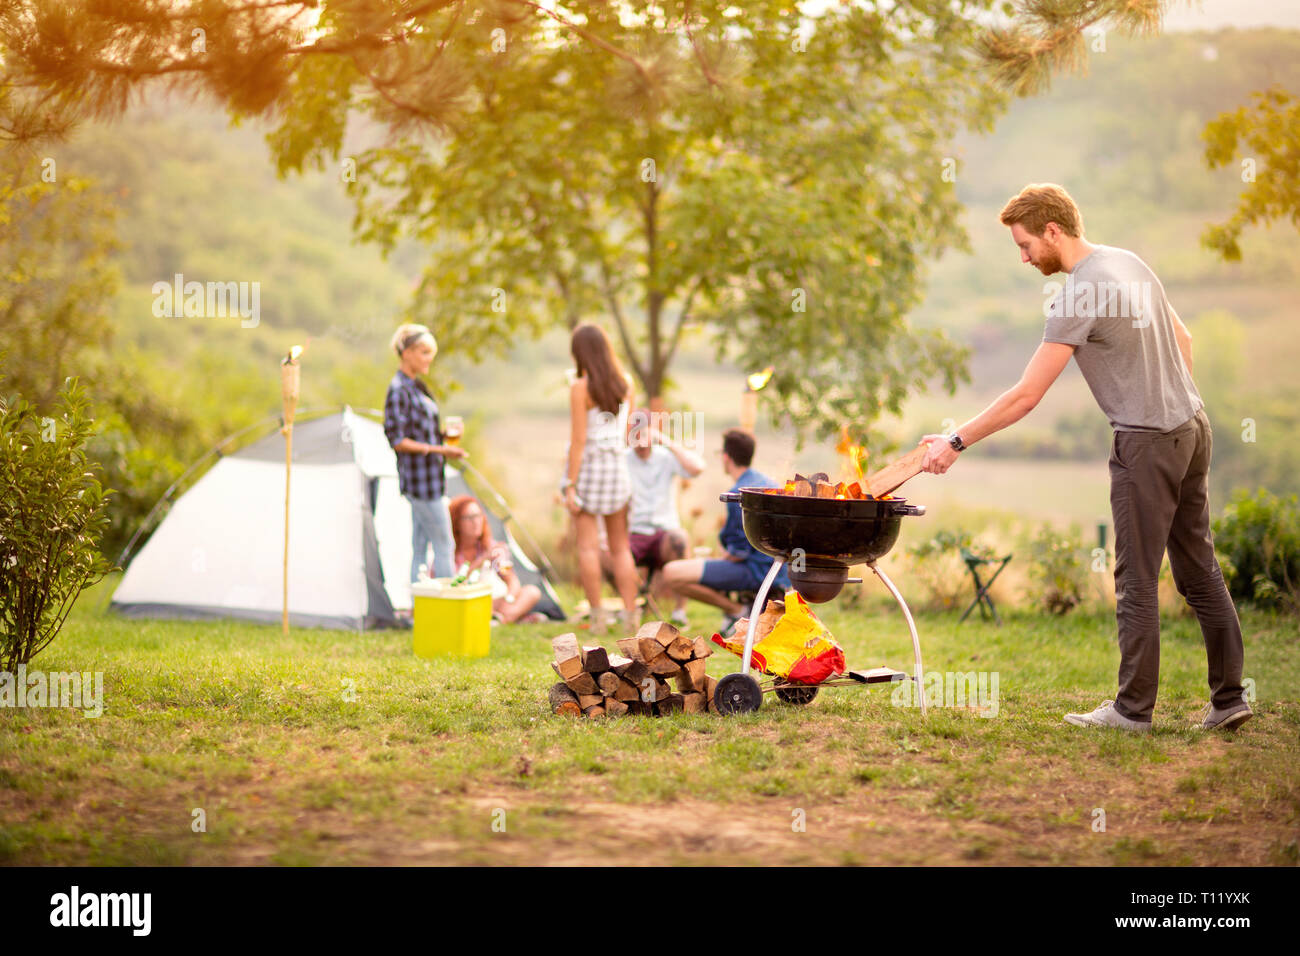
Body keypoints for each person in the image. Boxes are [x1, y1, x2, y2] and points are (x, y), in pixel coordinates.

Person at [919, 183, 1248, 733]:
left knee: (1136, 578)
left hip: (1147, 442)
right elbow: (1184, 340)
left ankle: (1132, 712)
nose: (1024, 258)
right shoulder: (1129, 262)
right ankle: (1230, 699)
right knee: (1199, 568)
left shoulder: (1077, 296)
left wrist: (954, 443)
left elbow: (1027, 395)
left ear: (1053, 230)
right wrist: (1169, 400)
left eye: (1025, 245)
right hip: (1192, 426)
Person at [662, 428, 790, 634]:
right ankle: (737, 612)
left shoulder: (737, 494)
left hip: (755, 570)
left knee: (671, 573)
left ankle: (738, 610)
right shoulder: (769, 484)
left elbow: (738, 552)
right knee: (711, 566)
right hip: (779, 569)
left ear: (726, 457)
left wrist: (724, 555)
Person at [563, 323, 641, 635]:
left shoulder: (580, 387)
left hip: (590, 469)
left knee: (588, 548)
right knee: (621, 547)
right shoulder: (627, 383)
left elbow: (579, 440)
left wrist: (569, 483)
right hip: (618, 469)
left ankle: (597, 618)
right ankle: (631, 614)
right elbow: (625, 434)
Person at [383, 324, 469, 584]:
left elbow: (419, 434)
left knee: (420, 548)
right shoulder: (398, 389)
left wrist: (442, 436)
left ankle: (418, 610)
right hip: (420, 484)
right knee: (444, 544)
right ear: (406, 353)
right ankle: (447, 605)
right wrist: (440, 449)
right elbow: (397, 439)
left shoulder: (415, 386)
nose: (429, 358)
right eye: (424, 352)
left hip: (431, 479)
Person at [605, 411, 706, 627]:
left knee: (680, 539)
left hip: (664, 534)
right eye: (634, 434)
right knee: (606, 554)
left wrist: (665, 440)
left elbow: (697, 468)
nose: (639, 441)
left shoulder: (666, 457)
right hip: (634, 533)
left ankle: (679, 611)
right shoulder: (622, 459)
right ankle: (630, 607)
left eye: (643, 434)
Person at [448, 495, 545, 624]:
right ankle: (508, 618)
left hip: (494, 602)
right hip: (464, 603)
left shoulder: (493, 549)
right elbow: (455, 585)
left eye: (478, 515)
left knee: (532, 592)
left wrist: (509, 599)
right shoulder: (449, 552)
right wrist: (482, 559)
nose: (476, 521)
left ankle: (500, 618)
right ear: (456, 522)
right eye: (469, 517)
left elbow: (511, 580)